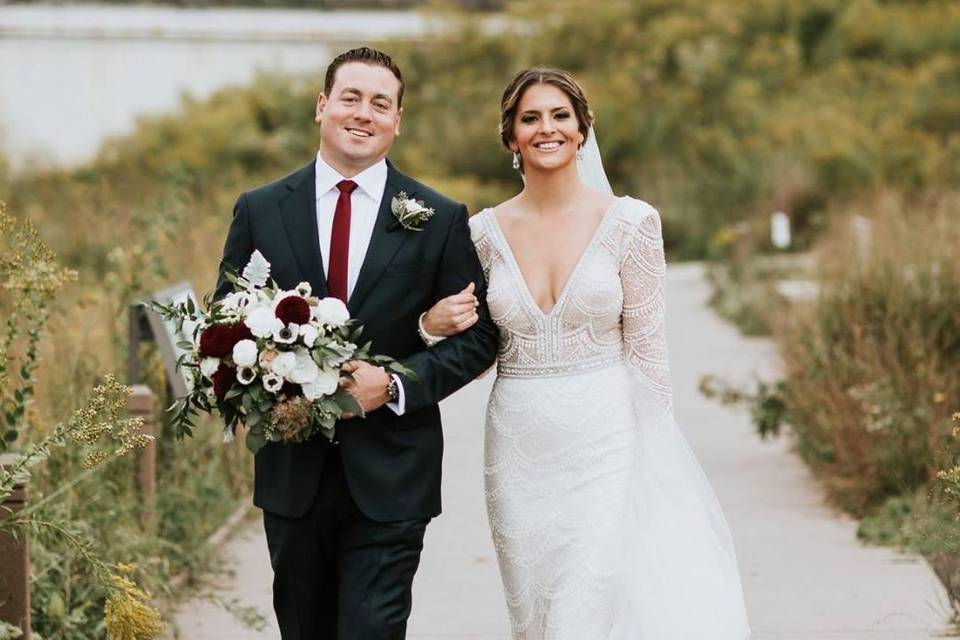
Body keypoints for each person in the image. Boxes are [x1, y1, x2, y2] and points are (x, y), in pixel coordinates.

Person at [421, 67, 752, 638]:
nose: (546, 128)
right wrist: (429, 327)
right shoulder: (481, 233)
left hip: (608, 444)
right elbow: (474, 352)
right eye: (530, 118)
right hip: (518, 449)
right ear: (511, 137)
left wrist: (659, 461)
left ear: (582, 130)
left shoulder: (631, 223)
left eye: (560, 116)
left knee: (586, 607)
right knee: (535, 616)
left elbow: (649, 354)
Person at [213, 47, 498, 639]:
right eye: (351, 98)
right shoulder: (260, 209)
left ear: (397, 120)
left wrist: (393, 385)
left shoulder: (439, 217)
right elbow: (225, 327)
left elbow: (479, 338)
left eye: (380, 103)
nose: (363, 113)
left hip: (393, 473)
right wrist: (270, 372)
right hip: (294, 473)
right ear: (322, 106)